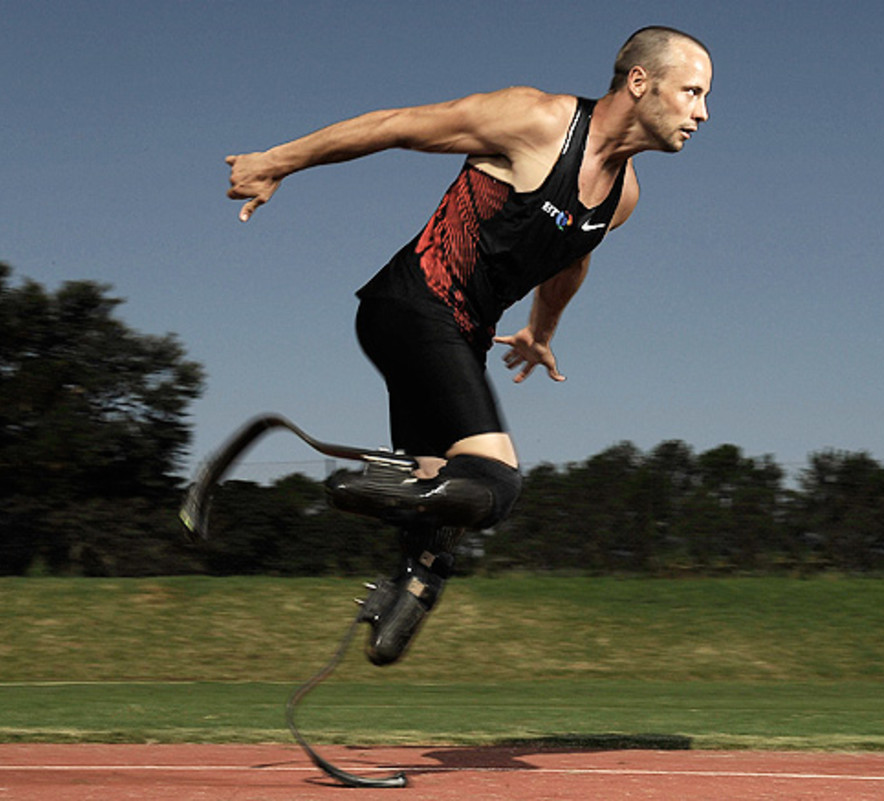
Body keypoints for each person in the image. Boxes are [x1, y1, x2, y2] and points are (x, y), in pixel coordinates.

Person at [225, 26, 712, 665]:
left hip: (461, 337)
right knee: (496, 481)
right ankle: (362, 489)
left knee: (444, 517)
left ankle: (414, 570)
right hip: (411, 304)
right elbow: (399, 124)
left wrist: (541, 331)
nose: (701, 113)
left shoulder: (622, 197)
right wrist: (278, 160)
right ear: (640, 82)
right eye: (692, 92)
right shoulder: (535, 120)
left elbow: (571, 257)